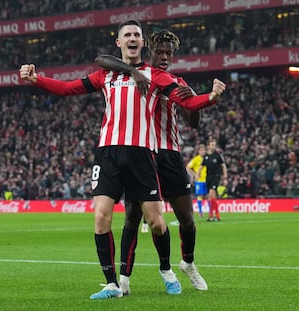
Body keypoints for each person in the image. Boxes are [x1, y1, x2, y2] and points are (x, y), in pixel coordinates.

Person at [20, 19, 226, 299]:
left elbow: (187, 105)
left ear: (143, 43)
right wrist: (37, 79)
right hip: (107, 152)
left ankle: (167, 269)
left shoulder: (157, 76)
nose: (132, 38)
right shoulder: (106, 74)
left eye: (136, 35)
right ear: (119, 42)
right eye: (127, 35)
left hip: (143, 153)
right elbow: (68, 88)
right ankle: (113, 283)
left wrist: (211, 97)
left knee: (156, 221)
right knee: (102, 216)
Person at [96, 29, 210, 294]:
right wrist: (134, 71)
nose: (164, 57)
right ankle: (123, 279)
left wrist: (192, 98)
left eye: (169, 54)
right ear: (149, 51)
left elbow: (193, 120)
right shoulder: (137, 73)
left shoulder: (174, 82)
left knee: (187, 219)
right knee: (132, 219)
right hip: (142, 152)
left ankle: (188, 264)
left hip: (169, 154)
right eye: (159, 52)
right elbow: (102, 59)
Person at [197, 138, 227, 221]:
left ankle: (211, 215)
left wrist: (225, 177)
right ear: (208, 146)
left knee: (211, 193)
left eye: (214, 145)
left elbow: (223, 166)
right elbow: (201, 166)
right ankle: (216, 216)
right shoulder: (206, 156)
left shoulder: (218, 155)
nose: (214, 146)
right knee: (211, 197)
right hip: (208, 177)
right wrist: (197, 175)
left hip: (216, 177)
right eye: (212, 145)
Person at [187, 144, 207, 218]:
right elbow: (188, 168)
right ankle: (200, 212)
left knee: (208, 196)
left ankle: (210, 212)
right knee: (199, 196)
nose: (203, 152)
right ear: (198, 151)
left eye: (204, 150)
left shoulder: (207, 158)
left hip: (207, 180)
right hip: (199, 181)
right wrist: (195, 174)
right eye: (201, 150)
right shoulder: (196, 159)